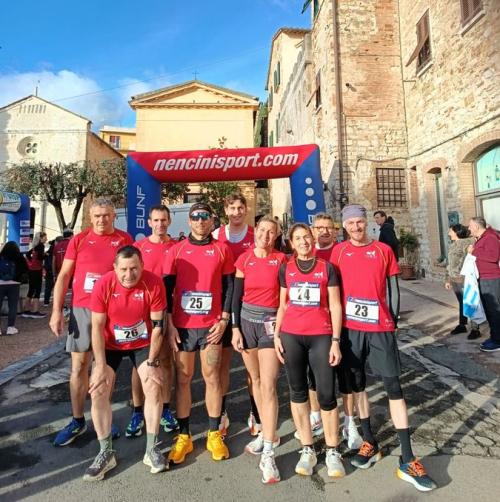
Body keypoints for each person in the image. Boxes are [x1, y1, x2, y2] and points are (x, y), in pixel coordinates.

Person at [331, 204, 435, 492]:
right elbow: (333, 292)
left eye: (359, 222)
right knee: (358, 386)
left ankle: (407, 458)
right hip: (351, 330)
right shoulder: (338, 252)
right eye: (350, 223)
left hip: (380, 328)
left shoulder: (383, 250)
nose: (356, 227)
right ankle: (369, 441)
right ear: (344, 226)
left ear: (367, 223)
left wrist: (394, 321)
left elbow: (393, 289)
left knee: (393, 387)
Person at [49, 198, 133, 446]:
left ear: (114, 216)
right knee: (79, 367)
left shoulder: (124, 239)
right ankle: (77, 420)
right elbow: (64, 275)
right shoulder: (79, 239)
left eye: (106, 215)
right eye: (97, 216)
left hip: (113, 310)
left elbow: (132, 273)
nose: (101, 220)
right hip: (83, 309)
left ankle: (103, 417)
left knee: (104, 367)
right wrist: (56, 311)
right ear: (90, 217)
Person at [83, 246, 167, 481]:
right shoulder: (104, 284)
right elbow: (96, 327)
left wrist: (153, 362)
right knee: (98, 389)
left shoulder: (153, 283)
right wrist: (99, 366)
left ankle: (151, 449)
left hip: (143, 343)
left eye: (134, 268)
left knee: (153, 385)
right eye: (123, 269)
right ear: (115, 268)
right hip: (110, 344)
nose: (129, 275)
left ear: (142, 266)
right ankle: (105, 452)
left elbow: (158, 327)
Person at [164, 202, 234, 464]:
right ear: (189, 221)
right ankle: (184, 436)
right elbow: (166, 289)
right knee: (183, 379)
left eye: (205, 216)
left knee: (212, 377)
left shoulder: (222, 249)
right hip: (183, 326)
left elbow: (229, 287)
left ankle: (214, 434)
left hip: (211, 326)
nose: (201, 221)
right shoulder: (176, 250)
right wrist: (170, 323)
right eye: (196, 217)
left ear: (212, 220)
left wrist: (224, 319)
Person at [274, 223, 345, 478]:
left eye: (306, 237)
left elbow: (335, 306)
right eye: (298, 238)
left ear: (313, 239)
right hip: (291, 336)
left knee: (326, 393)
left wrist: (335, 340)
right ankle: (307, 448)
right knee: (298, 392)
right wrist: (276, 335)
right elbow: (282, 305)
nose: (303, 242)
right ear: (291, 243)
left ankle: (333, 450)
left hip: (321, 336)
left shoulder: (327, 268)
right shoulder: (286, 268)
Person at [231, 216, 286, 483]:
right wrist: (234, 328)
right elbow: (235, 296)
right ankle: (266, 431)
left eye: (270, 232)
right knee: (254, 379)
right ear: (256, 232)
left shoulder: (282, 260)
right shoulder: (244, 259)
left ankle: (269, 453)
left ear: (276, 236)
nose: (265, 235)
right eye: (262, 230)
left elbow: (287, 296)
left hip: (270, 324)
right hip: (246, 323)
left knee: (268, 383)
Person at [307, 213, 362, 450]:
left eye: (328, 227)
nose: (324, 231)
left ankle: (349, 422)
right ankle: (316, 416)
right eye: (319, 227)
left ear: (335, 231)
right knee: (313, 375)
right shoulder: (306, 253)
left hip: (342, 321)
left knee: (346, 374)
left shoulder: (343, 252)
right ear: (313, 230)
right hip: (314, 323)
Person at [126, 205, 178, 437]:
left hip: (165, 310)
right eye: (156, 220)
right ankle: (137, 411)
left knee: (165, 360)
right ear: (149, 222)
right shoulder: (139, 247)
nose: (160, 224)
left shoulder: (176, 247)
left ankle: (165, 408)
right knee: (139, 364)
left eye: (163, 220)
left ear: (169, 221)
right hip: (140, 311)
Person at [212, 193, 257, 436]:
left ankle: (256, 412)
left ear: (246, 209)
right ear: (226, 210)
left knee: (252, 365)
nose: (237, 212)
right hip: (224, 305)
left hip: (250, 305)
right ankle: (221, 412)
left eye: (241, 207)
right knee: (222, 363)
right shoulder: (216, 235)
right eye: (232, 208)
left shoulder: (255, 235)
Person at [468, 217, 500, 352]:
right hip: (483, 278)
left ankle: (498, 341)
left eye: (470, 226)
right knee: (489, 311)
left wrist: (474, 251)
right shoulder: (483, 237)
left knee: (494, 310)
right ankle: (495, 336)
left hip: (491, 279)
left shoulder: (490, 238)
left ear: (476, 226)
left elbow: (493, 257)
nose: (468, 228)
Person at [444, 224, 480, 340]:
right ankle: (462, 325)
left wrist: (463, 275)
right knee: (462, 302)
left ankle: (475, 329)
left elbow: (469, 260)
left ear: (456, 232)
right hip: (454, 279)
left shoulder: (466, 244)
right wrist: (448, 279)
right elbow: (450, 264)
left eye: (450, 231)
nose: (449, 233)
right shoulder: (453, 245)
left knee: (470, 302)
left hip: (464, 279)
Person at [0, 241, 28, 335]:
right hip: (14, 284)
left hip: (0, 283)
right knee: (12, 306)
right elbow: (25, 269)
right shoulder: (19, 257)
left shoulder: (1, 256)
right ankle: (10, 327)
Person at [23, 231, 47, 318]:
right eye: (45, 237)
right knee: (37, 290)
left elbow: (27, 254)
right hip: (37, 270)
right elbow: (40, 257)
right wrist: (46, 255)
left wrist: (30, 263)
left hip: (31, 270)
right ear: (41, 238)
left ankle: (26, 310)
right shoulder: (41, 246)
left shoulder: (34, 246)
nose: (46, 239)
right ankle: (35, 311)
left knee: (31, 289)